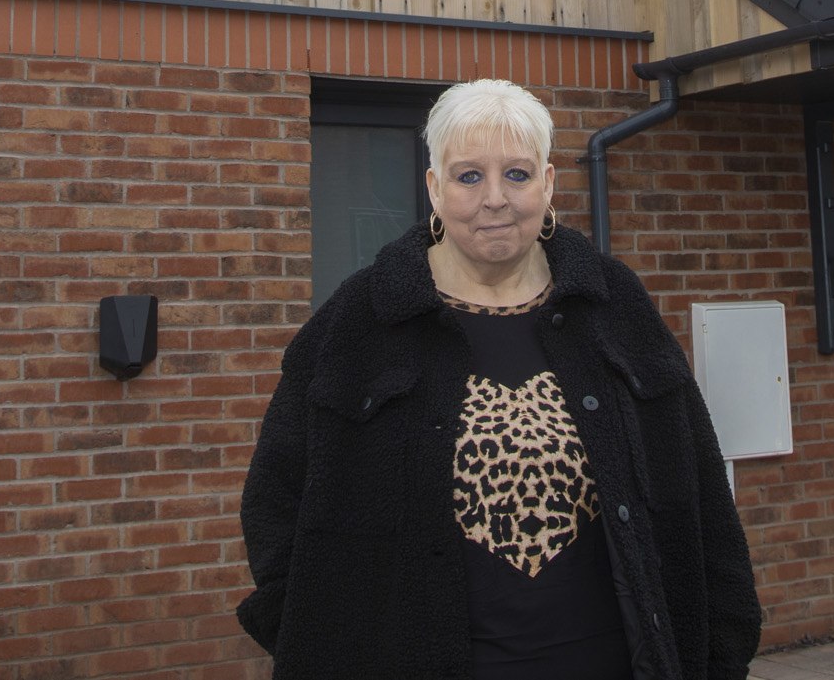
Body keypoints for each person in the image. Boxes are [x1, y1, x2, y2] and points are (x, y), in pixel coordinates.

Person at [238, 79, 761, 679]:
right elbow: (273, 501)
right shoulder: (361, 320)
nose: (495, 198)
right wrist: (322, 641)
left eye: (516, 174)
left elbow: (700, 489)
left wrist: (722, 653)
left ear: (548, 183)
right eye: (468, 177)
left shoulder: (615, 306)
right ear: (433, 188)